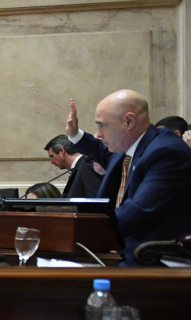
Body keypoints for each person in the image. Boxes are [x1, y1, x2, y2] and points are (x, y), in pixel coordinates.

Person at [66, 91, 191, 264]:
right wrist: (75, 134)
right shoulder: (132, 146)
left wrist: (79, 231)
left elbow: (138, 209)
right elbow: (104, 153)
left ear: (129, 121)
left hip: (151, 258)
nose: (99, 133)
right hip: (126, 251)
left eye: (103, 125)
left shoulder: (166, 152)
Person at [44, 134, 103, 198]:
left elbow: (96, 199)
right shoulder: (79, 167)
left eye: (52, 156)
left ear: (62, 151)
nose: (52, 162)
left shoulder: (86, 166)